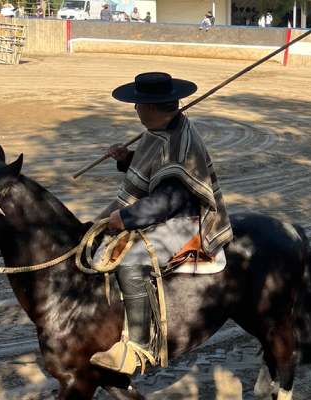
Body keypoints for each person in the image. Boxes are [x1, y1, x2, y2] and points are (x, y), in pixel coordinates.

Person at [89, 72, 233, 375]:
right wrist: (126, 158)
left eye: (138, 104)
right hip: (162, 208)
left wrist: (124, 218)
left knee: (130, 263)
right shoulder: (159, 131)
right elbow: (154, 169)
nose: (135, 110)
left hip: (186, 218)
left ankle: (138, 348)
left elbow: (170, 197)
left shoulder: (181, 143)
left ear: (151, 107)